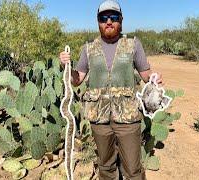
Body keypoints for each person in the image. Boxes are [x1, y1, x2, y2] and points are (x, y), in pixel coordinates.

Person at [59, 0, 163, 179]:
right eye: (103, 17)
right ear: (98, 21)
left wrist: (154, 79)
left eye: (113, 17)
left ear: (121, 20)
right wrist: (67, 67)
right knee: (105, 166)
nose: (109, 21)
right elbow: (77, 80)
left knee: (132, 168)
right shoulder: (88, 48)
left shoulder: (133, 44)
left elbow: (146, 75)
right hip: (99, 119)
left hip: (128, 118)